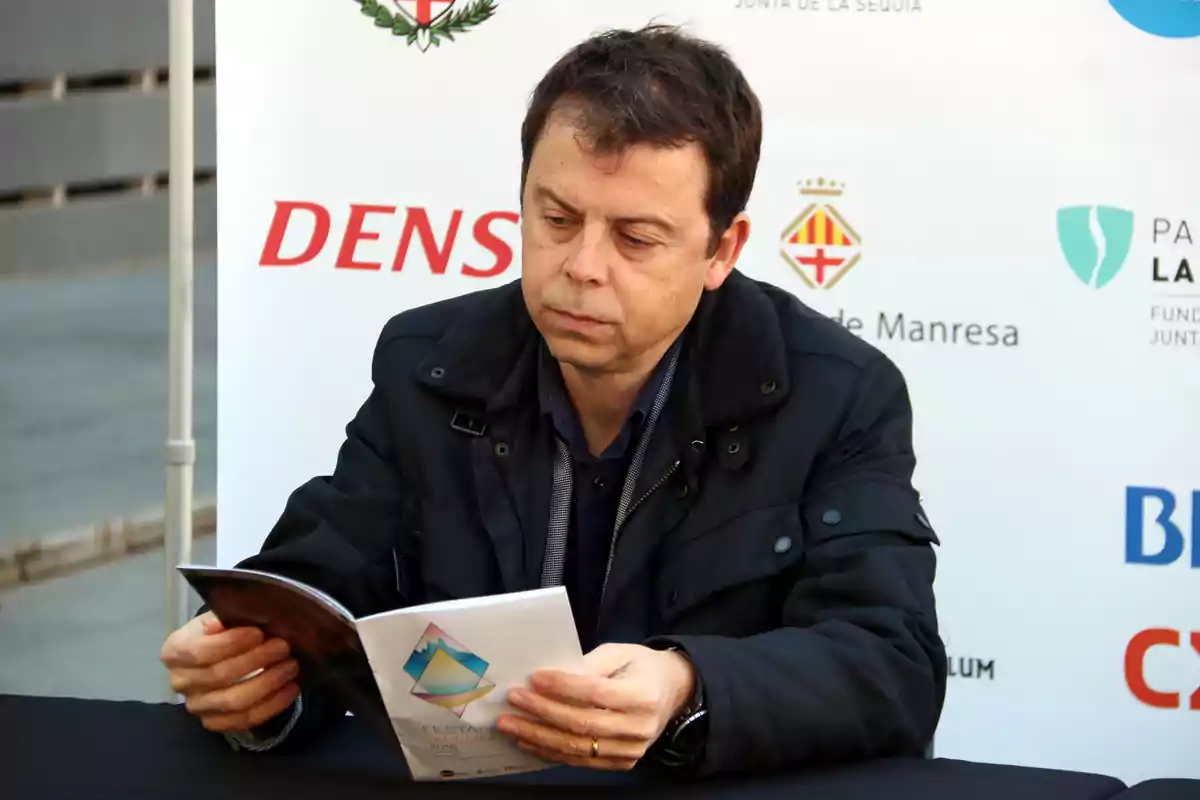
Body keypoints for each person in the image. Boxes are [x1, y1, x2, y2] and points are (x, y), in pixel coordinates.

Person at [161, 24, 945, 776]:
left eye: (636, 238)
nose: (583, 266)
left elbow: (890, 660)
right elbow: (324, 576)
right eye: (557, 218)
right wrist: (253, 666)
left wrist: (687, 687)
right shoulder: (430, 363)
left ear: (722, 250)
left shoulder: (836, 392)